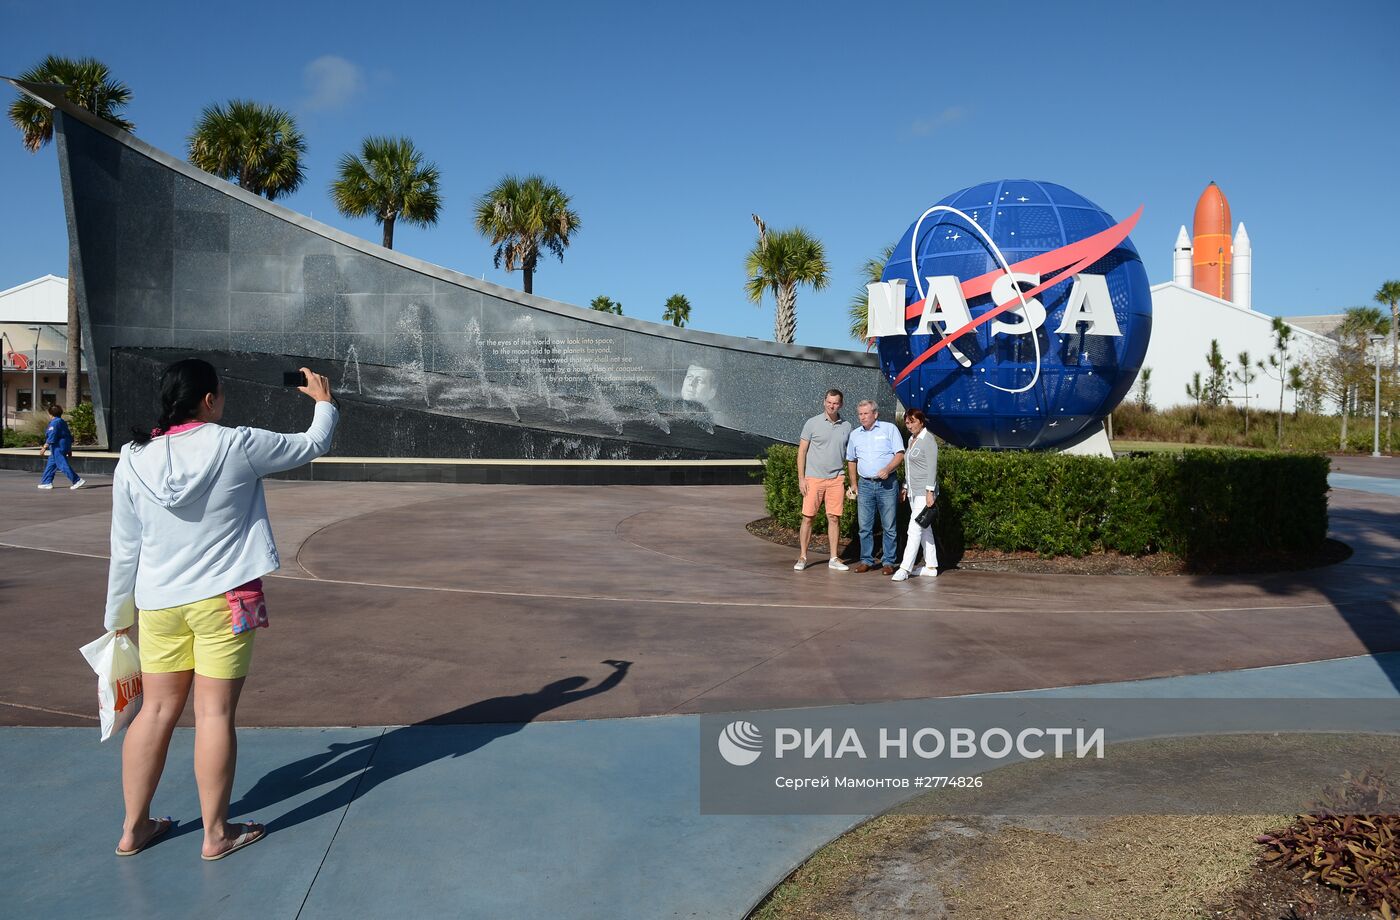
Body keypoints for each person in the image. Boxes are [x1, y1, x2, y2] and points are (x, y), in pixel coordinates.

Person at [104, 358, 338, 861]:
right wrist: (323, 403)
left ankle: (133, 829)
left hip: (157, 605)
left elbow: (125, 547)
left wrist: (117, 617)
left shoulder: (132, 459)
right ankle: (215, 835)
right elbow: (311, 445)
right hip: (223, 600)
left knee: (155, 712)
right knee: (213, 714)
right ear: (208, 400)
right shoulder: (235, 444)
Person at [793, 389, 853, 571]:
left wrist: (852, 482)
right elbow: (801, 452)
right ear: (824, 402)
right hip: (814, 478)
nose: (832, 405)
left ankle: (834, 558)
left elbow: (851, 456)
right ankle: (802, 556)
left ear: (841, 404)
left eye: (835, 403)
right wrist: (801, 479)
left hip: (836, 478)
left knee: (834, 518)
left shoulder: (847, 426)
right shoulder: (812, 423)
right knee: (808, 518)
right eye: (829, 402)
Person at [844, 399, 904, 574]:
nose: (862, 417)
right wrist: (854, 484)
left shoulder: (889, 429)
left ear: (875, 414)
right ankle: (866, 560)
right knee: (864, 526)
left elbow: (899, 454)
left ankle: (888, 562)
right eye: (860, 414)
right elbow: (851, 460)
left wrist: (888, 468)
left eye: (866, 413)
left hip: (887, 484)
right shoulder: (855, 434)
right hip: (865, 485)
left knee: (889, 526)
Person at [891, 409, 939, 581]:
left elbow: (932, 467)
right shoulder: (911, 439)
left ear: (921, 421)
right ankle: (931, 566)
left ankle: (905, 568)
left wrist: (929, 492)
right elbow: (910, 467)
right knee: (925, 528)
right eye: (907, 422)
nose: (910, 426)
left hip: (924, 492)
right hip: (912, 491)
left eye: (913, 422)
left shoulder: (928, 440)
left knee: (914, 529)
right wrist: (905, 486)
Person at [38, 404, 85, 490]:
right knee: (51, 465)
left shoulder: (55, 422)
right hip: (63, 445)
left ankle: (76, 480)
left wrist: (44, 447)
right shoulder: (62, 422)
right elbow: (68, 435)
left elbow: (52, 435)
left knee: (62, 465)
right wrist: (69, 449)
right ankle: (46, 482)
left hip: (58, 447)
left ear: (51, 414)